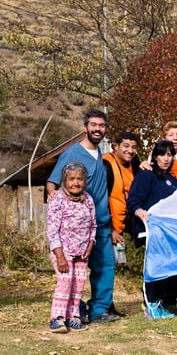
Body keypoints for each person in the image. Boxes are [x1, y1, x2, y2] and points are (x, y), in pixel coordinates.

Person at [46, 109, 119, 324]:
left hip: (100, 224)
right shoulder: (71, 153)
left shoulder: (104, 158)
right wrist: (58, 204)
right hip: (73, 231)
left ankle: (99, 310)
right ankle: (72, 312)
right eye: (94, 125)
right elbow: (52, 183)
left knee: (105, 268)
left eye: (102, 126)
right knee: (73, 273)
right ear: (85, 126)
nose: (98, 129)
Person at [127, 140, 177, 320]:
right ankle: (149, 304)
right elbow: (134, 199)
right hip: (151, 231)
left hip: (168, 234)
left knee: (166, 270)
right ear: (155, 156)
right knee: (155, 267)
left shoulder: (172, 181)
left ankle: (159, 303)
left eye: (169, 155)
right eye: (162, 154)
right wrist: (140, 212)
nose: (166, 159)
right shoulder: (146, 175)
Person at [46, 162, 96, 333]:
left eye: (80, 179)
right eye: (72, 179)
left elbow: (93, 225)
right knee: (65, 282)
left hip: (82, 251)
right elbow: (52, 230)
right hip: (63, 251)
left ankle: (73, 317)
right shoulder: (57, 199)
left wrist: (90, 245)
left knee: (79, 284)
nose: (76, 183)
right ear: (64, 181)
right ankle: (57, 318)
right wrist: (59, 256)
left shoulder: (88, 199)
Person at [102, 131, 141, 317]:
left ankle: (106, 306)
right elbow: (99, 198)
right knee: (105, 267)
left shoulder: (135, 165)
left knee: (112, 266)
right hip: (106, 226)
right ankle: (102, 308)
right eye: (126, 146)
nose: (130, 150)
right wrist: (109, 229)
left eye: (134, 147)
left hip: (123, 224)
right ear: (115, 146)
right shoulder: (105, 164)